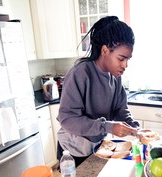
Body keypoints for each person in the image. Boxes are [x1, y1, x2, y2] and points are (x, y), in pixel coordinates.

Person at [57, 16, 139, 166]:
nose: (125, 65)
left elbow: (120, 110)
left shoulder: (115, 76)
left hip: (98, 146)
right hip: (73, 151)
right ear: (105, 50)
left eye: (128, 59)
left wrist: (135, 128)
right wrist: (108, 127)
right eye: (121, 58)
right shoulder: (80, 73)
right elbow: (67, 119)